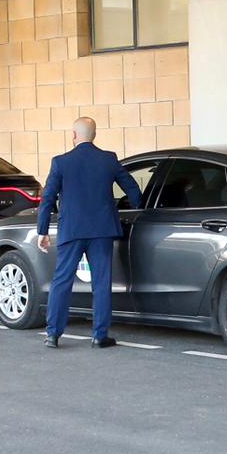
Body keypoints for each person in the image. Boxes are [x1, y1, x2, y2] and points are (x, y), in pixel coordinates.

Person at [36, 117, 142, 349]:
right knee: (101, 282)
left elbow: (48, 198)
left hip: (71, 229)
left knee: (62, 281)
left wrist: (42, 230)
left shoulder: (61, 162)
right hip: (102, 230)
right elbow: (132, 187)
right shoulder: (108, 160)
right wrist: (137, 206)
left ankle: (53, 334)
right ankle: (99, 335)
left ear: (74, 135)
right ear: (94, 135)